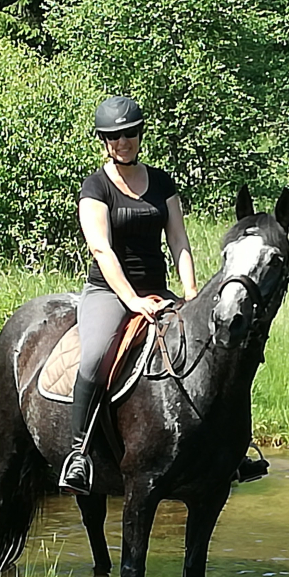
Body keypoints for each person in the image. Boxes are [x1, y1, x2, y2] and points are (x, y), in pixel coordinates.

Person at [59, 95, 198, 495]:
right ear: (105, 141)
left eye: (131, 134)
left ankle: (228, 449)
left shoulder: (162, 182)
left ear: (140, 135)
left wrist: (189, 292)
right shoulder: (96, 186)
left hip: (158, 289)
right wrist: (132, 301)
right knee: (96, 355)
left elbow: (178, 239)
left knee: (210, 344)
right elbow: (101, 249)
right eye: (116, 137)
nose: (125, 142)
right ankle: (78, 454)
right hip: (109, 292)